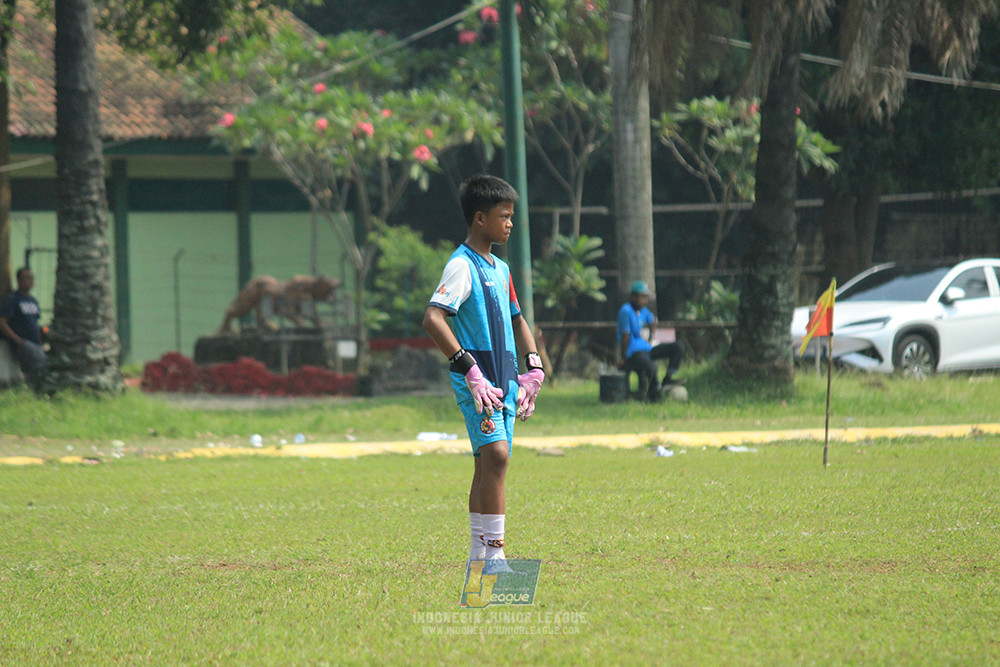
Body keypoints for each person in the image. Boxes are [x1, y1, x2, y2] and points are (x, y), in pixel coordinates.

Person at [422, 174, 544, 574]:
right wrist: (468, 369)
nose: (510, 223)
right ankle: (494, 555)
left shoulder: (502, 268)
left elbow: (518, 319)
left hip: (505, 379)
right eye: (503, 216)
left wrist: (534, 369)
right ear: (479, 218)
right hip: (480, 382)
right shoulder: (461, 266)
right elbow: (434, 318)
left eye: (511, 216)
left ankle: (480, 553)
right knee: (497, 456)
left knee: (488, 463)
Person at [616, 280, 685, 401]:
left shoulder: (643, 310)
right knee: (652, 367)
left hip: (646, 348)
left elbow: (653, 320)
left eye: (646, 297)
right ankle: (654, 396)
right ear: (634, 297)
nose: (645, 301)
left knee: (678, 347)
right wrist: (623, 358)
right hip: (633, 352)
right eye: (642, 297)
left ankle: (667, 379)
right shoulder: (625, 311)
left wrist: (651, 338)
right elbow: (625, 336)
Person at [0, 267, 47, 381]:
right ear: (19, 280)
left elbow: (35, 323)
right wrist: (18, 340)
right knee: (41, 363)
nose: (31, 281)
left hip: (35, 342)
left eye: (32, 278)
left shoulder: (33, 301)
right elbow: (2, 322)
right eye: (27, 278)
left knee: (38, 369)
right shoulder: (13, 299)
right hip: (22, 343)